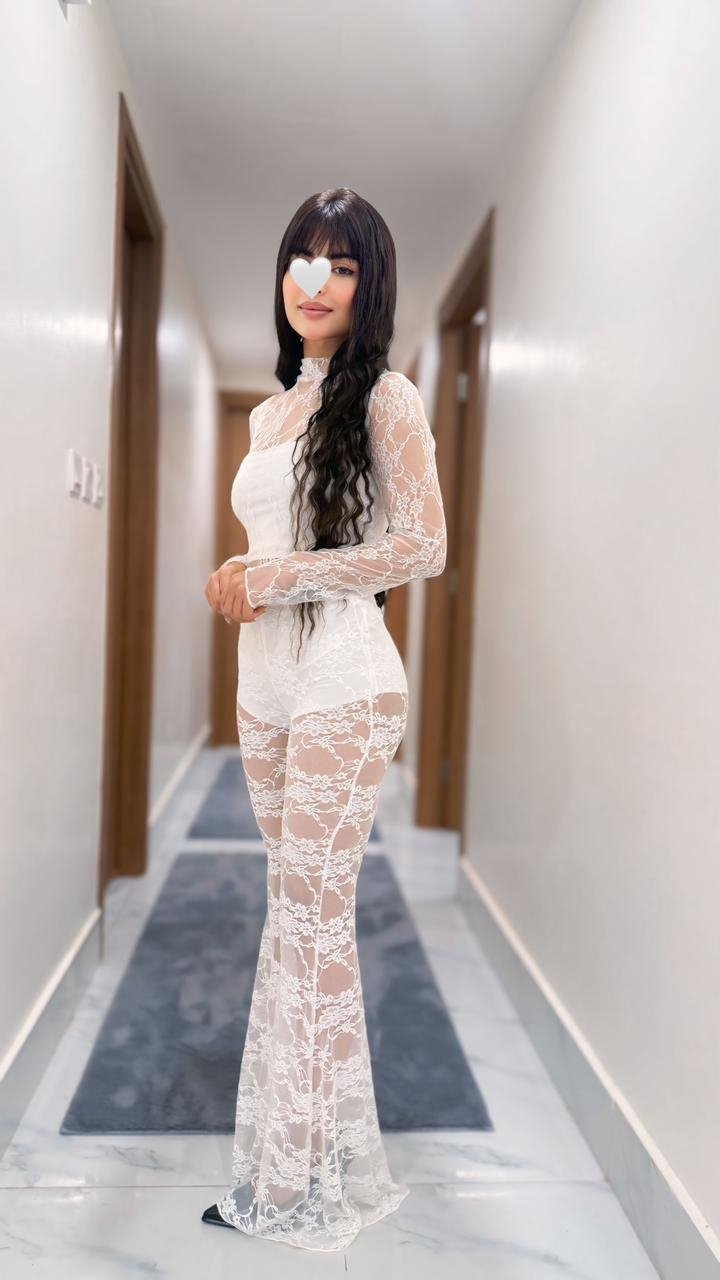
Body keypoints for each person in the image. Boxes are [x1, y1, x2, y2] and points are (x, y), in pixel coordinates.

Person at [202, 187, 447, 1252]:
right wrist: (242, 573)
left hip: (346, 675)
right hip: (265, 681)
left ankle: (287, 1178)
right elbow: (273, 549)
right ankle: (322, 1156)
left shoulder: (387, 396)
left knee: (307, 915)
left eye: (341, 265)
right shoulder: (269, 417)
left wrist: (285, 574)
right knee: (300, 914)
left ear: (368, 285)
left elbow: (423, 545)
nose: (316, 281)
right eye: (304, 259)